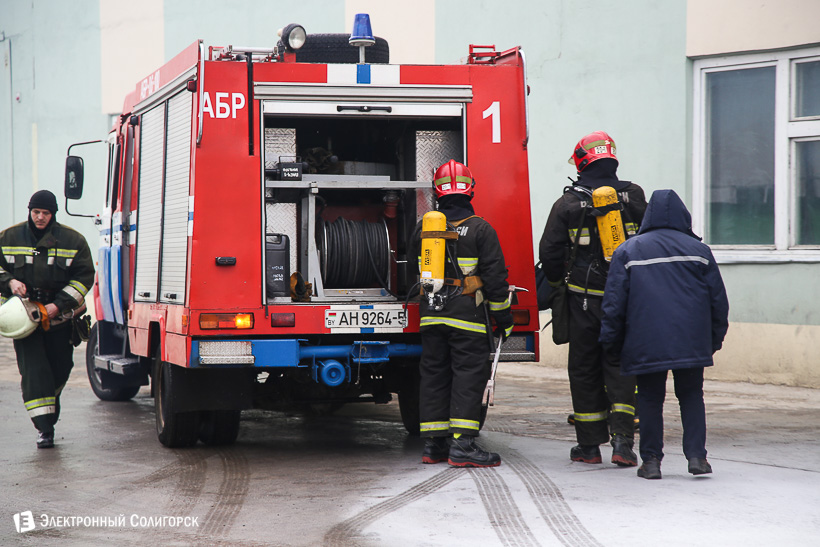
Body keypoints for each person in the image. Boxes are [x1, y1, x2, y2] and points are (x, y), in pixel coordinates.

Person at [599, 189, 729, 479]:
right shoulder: (699, 251)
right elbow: (718, 301)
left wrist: (612, 343)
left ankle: (651, 462)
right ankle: (697, 458)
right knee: (692, 396)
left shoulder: (628, 251)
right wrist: (713, 339)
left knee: (649, 399)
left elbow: (614, 304)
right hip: (691, 341)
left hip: (645, 341)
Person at [539, 131, 647, 467]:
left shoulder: (567, 204)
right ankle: (624, 443)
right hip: (625, 300)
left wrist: (557, 285)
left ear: (581, 162)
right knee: (620, 365)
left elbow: (550, 252)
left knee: (584, 368)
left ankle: (588, 447)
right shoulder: (634, 195)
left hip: (582, 301)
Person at [412, 160, 514, 468]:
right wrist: (504, 319)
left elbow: (411, 270)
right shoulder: (481, 229)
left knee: (434, 375)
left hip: (431, 316)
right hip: (467, 318)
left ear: (437, 192)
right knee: (468, 377)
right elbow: (495, 280)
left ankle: (434, 445)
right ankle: (463, 445)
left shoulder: (422, 228)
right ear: (470, 191)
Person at [0, 190, 95, 448]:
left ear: (53, 214)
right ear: (29, 211)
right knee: (35, 372)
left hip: (59, 318)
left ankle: (48, 411)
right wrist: (9, 282)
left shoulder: (73, 241)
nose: (40, 217)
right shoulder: (8, 237)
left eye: (45, 213)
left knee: (61, 368)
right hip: (24, 319)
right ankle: (45, 429)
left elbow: (84, 278)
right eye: (36, 212)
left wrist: (57, 305)